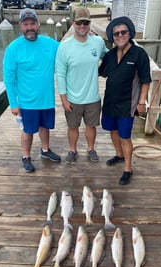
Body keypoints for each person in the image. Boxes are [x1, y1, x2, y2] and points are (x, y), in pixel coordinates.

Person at [3, 8, 61, 173]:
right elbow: (9, 78)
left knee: (45, 127)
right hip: (26, 102)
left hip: (47, 99)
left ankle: (45, 150)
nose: (30, 27)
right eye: (25, 24)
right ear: (20, 26)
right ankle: (26, 156)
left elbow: (67, 50)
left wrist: (86, 37)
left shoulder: (49, 43)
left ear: (38, 24)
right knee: (28, 130)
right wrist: (14, 103)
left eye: (32, 23)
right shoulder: (13, 48)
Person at [99, 16, 151, 185]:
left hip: (127, 104)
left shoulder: (139, 54)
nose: (120, 35)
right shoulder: (110, 55)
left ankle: (128, 168)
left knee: (125, 137)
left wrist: (142, 102)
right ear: (112, 37)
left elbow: (145, 80)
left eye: (123, 32)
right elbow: (100, 71)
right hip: (110, 102)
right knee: (112, 130)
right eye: (116, 33)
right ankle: (119, 155)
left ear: (130, 33)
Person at [55, 7, 108, 163]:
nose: (82, 26)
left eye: (86, 22)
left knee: (91, 127)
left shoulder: (98, 42)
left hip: (93, 97)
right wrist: (64, 99)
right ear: (73, 23)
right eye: (79, 22)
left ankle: (91, 149)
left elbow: (109, 55)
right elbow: (60, 74)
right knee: (73, 127)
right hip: (72, 98)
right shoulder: (64, 46)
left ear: (89, 23)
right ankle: (72, 150)